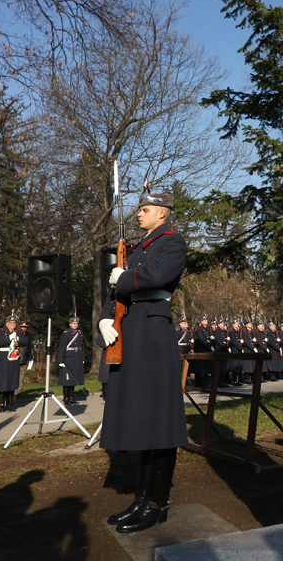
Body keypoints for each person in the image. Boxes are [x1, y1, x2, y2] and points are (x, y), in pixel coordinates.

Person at [98, 191, 188, 534]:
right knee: (141, 417)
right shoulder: (135, 249)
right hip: (131, 332)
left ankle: (157, 502)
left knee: (158, 420)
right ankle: (142, 497)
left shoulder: (171, 243)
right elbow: (115, 295)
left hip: (152, 331)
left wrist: (122, 277)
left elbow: (156, 276)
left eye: (145, 209)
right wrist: (105, 319)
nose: (139, 214)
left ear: (162, 214)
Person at [0, 314, 30, 412]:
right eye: (11, 323)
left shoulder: (19, 332)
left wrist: (18, 339)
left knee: (12, 381)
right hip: (3, 358)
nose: (13, 325)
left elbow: (26, 341)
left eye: (14, 323)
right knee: (3, 382)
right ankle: (1, 405)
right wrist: (8, 338)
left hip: (14, 358)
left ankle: (10, 405)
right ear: (7, 324)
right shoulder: (0, 332)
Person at [57, 315, 86, 406]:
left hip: (77, 357)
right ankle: (66, 398)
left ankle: (72, 398)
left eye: (76, 323)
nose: (75, 325)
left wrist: (82, 357)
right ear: (70, 324)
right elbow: (62, 347)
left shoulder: (80, 333)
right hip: (68, 358)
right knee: (67, 379)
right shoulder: (66, 334)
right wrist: (61, 360)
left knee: (74, 378)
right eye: (74, 323)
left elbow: (82, 346)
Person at [192, 315, 213, 390]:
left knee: (206, 369)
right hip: (201, 350)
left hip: (206, 350)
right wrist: (209, 346)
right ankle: (201, 384)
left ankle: (206, 384)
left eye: (206, 320)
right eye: (204, 320)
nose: (206, 321)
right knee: (202, 369)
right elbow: (201, 340)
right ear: (201, 321)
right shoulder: (199, 330)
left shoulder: (208, 329)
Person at [17, 321, 34, 392]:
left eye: (25, 327)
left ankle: (19, 390)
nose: (24, 328)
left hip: (25, 357)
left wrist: (31, 356)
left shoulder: (29, 335)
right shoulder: (16, 335)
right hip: (17, 356)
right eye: (22, 327)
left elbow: (31, 346)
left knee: (22, 375)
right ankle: (15, 391)